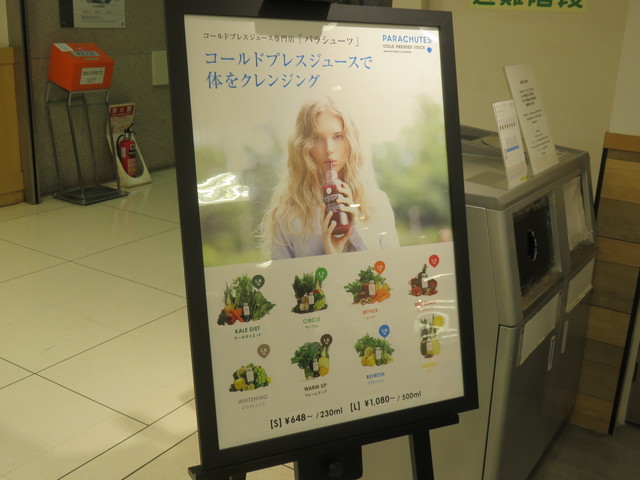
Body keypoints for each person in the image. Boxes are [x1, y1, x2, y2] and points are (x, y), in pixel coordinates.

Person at [260, 97, 399, 259]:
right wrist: (331, 254)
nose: (329, 149)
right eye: (318, 138)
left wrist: (356, 230)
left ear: (351, 141)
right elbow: (284, 275)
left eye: (337, 136)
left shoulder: (377, 203)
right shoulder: (288, 217)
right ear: (303, 146)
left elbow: (393, 267)